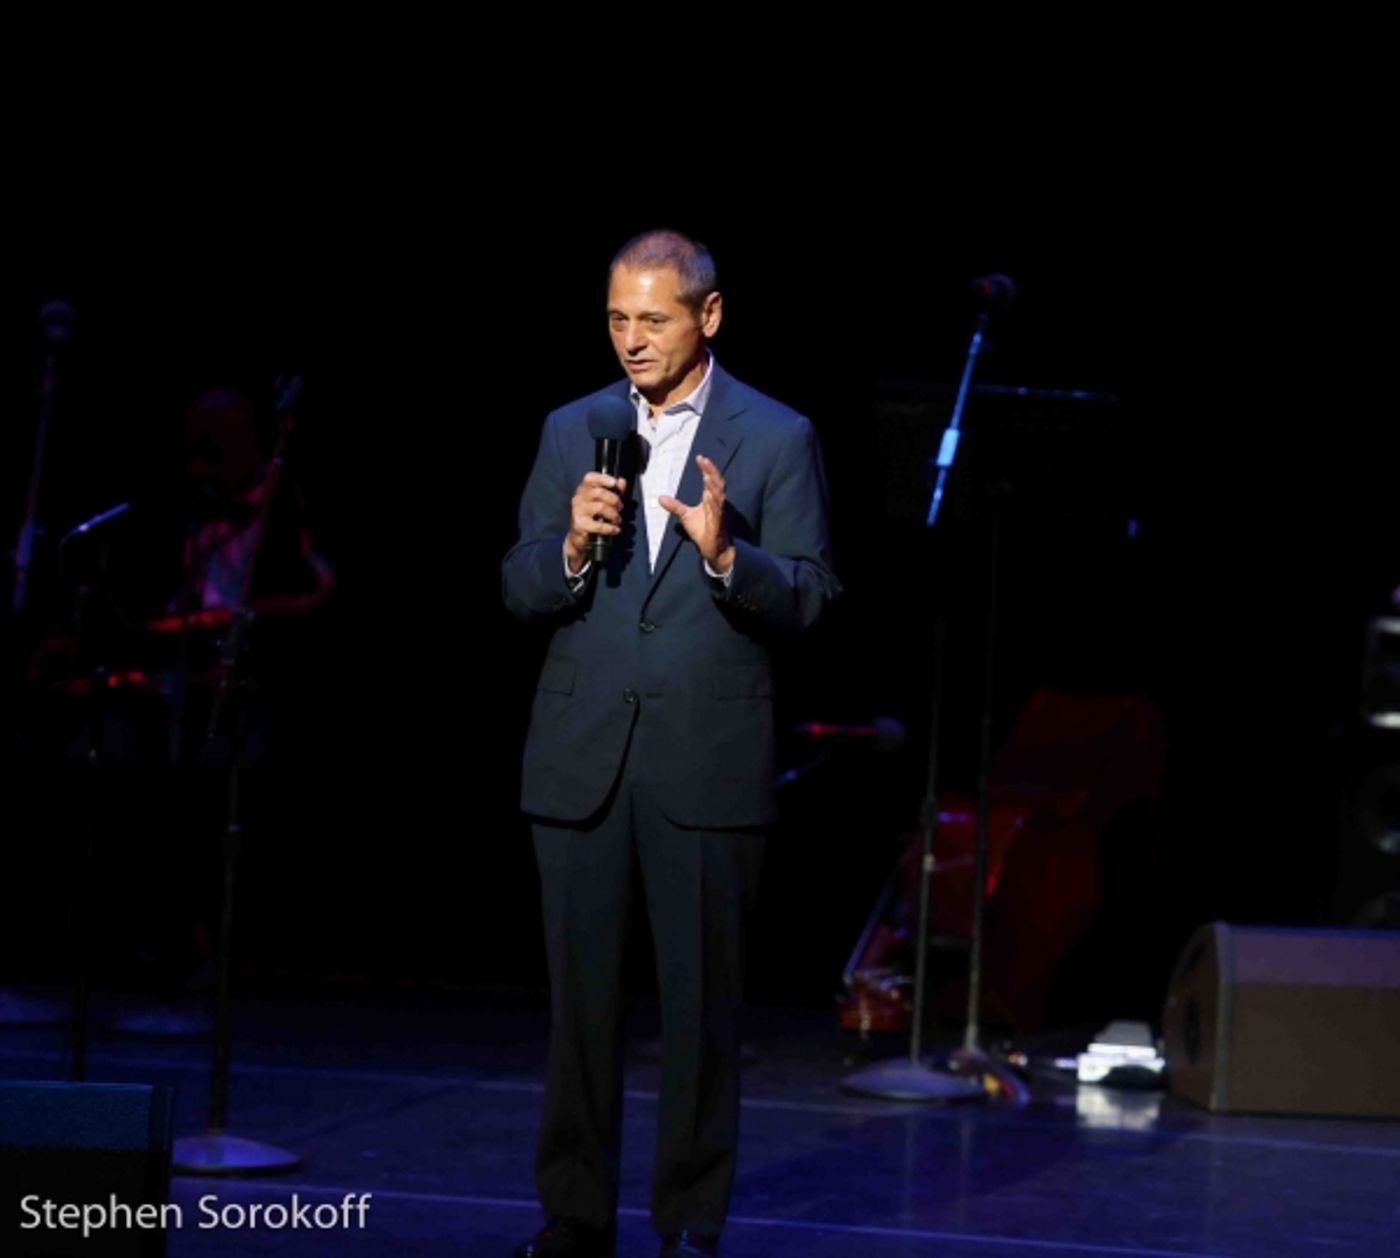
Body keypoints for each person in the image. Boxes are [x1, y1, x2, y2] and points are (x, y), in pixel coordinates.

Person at [501, 230, 840, 1258]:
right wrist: (565, 544)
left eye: (652, 318)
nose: (631, 340)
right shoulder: (576, 427)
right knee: (580, 1012)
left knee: (700, 1014)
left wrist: (728, 555)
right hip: (581, 754)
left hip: (703, 761)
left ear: (709, 314)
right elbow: (517, 582)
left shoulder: (774, 436)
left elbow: (813, 596)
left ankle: (691, 1221)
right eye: (615, 318)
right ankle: (574, 1213)